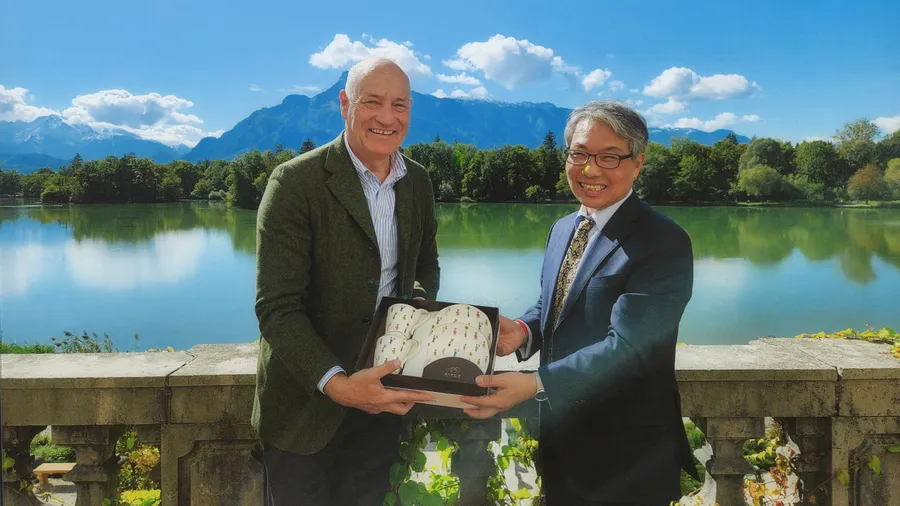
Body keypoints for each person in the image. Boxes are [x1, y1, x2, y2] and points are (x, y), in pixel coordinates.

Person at [461, 101, 699, 504]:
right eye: (580, 154)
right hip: (561, 445)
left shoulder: (663, 242)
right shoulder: (563, 228)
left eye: (609, 157)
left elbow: (630, 349)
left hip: (628, 458)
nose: (591, 170)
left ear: (637, 164)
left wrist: (535, 383)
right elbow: (556, 304)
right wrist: (521, 332)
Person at [251, 57, 439, 506]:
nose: (387, 117)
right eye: (372, 102)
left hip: (382, 403)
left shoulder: (418, 182)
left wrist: (411, 316)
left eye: (400, 105)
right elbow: (277, 307)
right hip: (304, 411)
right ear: (344, 104)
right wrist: (338, 383)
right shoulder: (295, 181)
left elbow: (424, 270)